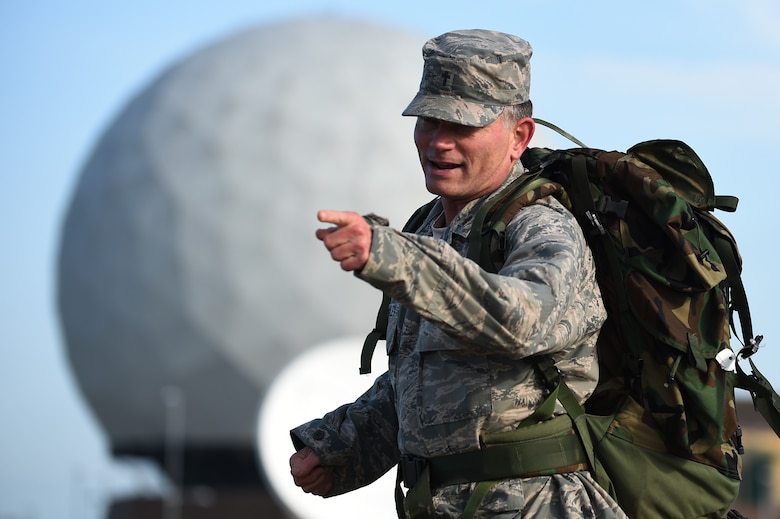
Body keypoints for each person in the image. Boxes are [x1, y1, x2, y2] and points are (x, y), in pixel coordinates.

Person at [289, 29, 626, 518]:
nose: (438, 142)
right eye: (429, 120)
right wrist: (341, 447)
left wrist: (396, 258)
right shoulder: (431, 228)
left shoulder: (541, 226)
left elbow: (520, 320)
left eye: (462, 126)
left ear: (519, 137)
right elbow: (423, 384)